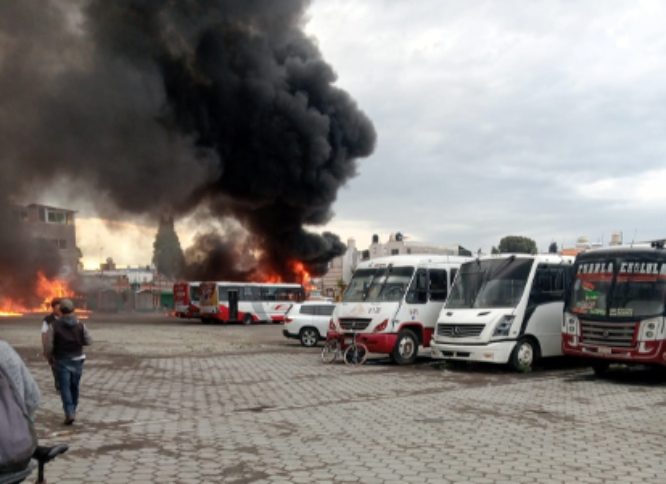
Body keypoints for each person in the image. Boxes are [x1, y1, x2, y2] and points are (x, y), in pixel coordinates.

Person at [44, 298, 92, 425]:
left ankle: (69, 412)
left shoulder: (53, 326)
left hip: (62, 360)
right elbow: (89, 341)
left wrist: (49, 358)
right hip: (77, 359)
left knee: (65, 388)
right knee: (74, 386)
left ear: (60, 310)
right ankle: (73, 409)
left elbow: (48, 345)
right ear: (73, 310)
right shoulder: (81, 325)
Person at [40, 298, 62, 392]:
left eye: (60, 308)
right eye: (57, 308)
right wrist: (45, 348)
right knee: (55, 367)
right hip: (53, 347)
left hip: (64, 347)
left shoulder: (66, 318)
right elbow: (44, 334)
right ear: (53, 308)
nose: (59, 310)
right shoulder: (47, 320)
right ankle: (59, 386)